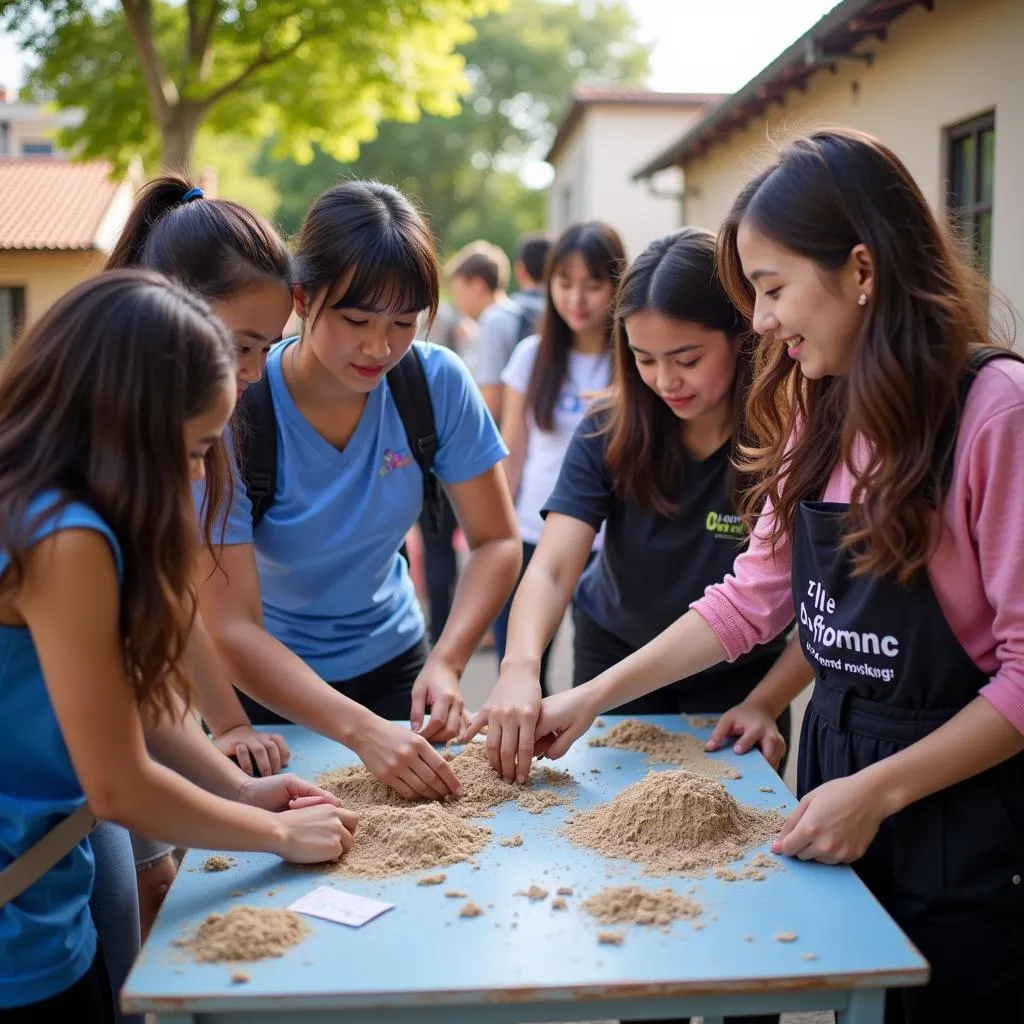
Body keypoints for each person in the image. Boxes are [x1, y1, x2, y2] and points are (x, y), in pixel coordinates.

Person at [526, 129, 1024, 1023]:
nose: (759, 321)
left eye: (770, 288)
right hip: (836, 761)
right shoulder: (817, 409)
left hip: (957, 801)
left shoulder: (997, 414)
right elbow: (750, 601)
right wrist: (589, 697)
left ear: (862, 271)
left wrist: (880, 790)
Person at [0, 271, 355, 1023]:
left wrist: (238, 791)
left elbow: (128, 703)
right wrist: (277, 833)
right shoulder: (63, 538)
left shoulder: (48, 499)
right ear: (129, 422)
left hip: (45, 891)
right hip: (16, 935)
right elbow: (120, 786)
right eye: (194, 448)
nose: (198, 474)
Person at [195, 181, 520, 801]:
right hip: (267, 692)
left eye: (403, 323)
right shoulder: (237, 411)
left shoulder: (435, 384)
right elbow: (229, 625)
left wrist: (448, 661)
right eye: (355, 320)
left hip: (396, 665)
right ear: (302, 298)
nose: (380, 347)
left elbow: (497, 540)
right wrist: (360, 731)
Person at [102, 175, 296, 950]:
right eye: (242, 346)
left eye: (266, 348)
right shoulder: (78, 506)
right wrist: (260, 823)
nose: (252, 373)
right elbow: (119, 743)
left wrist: (233, 753)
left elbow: (168, 605)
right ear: (172, 310)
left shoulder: (175, 432)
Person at [491, 222, 625, 691]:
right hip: (534, 532)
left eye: (593, 285)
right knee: (523, 666)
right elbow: (512, 452)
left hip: (609, 543)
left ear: (617, 284)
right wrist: (495, 536)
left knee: (599, 677)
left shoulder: (634, 360)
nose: (577, 299)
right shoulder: (531, 356)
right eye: (565, 284)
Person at [468, 233, 551, 423]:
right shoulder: (571, 317)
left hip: (513, 434)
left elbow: (492, 402)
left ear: (521, 271)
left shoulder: (499, 317)